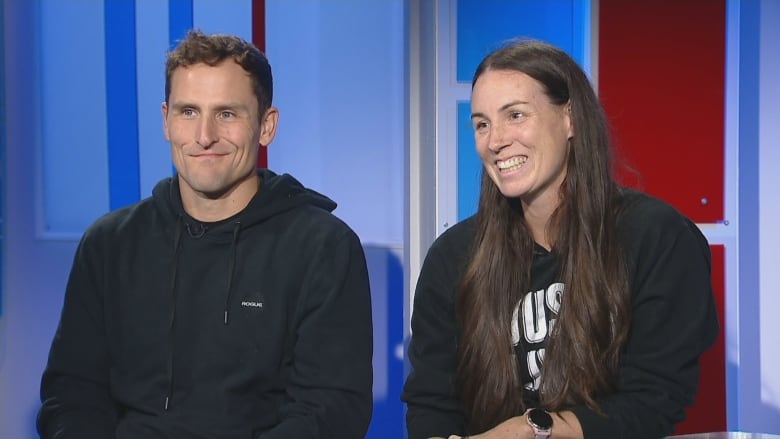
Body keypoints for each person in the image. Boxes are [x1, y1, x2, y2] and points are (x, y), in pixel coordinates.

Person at [37, 29, 373, 439]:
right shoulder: (110, 244)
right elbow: (71, 396)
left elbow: (331, 409)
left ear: (266, 126)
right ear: (166, 121)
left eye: (227, 114)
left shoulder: (323, 247)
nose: (204, 136)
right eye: (188, 112)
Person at [402, 39, 719, 439]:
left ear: (570, 119)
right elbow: (432, 402)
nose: (495, 140)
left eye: (515, 115)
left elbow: (653, 400)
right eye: (482, 124)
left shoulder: (656, 236)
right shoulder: (454, 256)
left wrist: (531, 430)